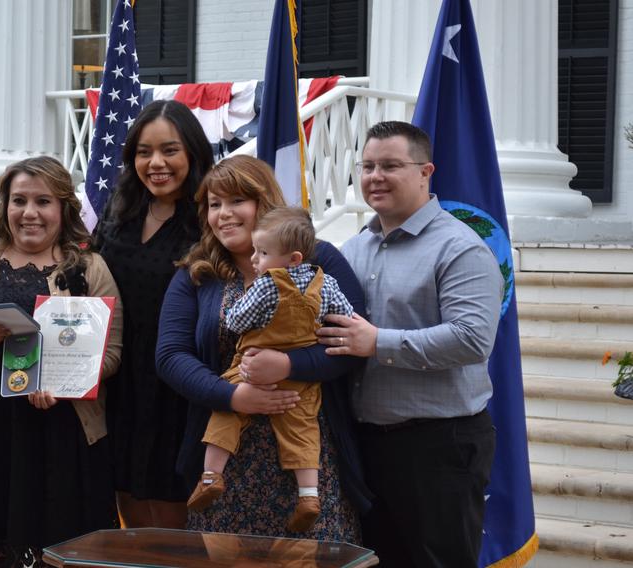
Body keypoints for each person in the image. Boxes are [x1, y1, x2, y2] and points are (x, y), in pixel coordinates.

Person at [156, 155, 372, 540]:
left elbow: (352, 341)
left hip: (307, 457)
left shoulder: (317, 261)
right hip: (224, 464)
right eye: (214, 204)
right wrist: (233, 395)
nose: (223, 214)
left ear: (264, 201)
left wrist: (288, 365)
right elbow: (171, 356)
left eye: (236, 201)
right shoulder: (197, 272)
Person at [0, 156, 124, 567]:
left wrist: (64, 385)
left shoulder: (90, 269)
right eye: (19, 201)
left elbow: (113, 353)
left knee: (57, 541)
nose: (29, 213)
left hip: (62, 430)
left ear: (63, 209)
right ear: (5, 206)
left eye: (43, 202)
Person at [318, 121, 501, 567]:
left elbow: (472, 338)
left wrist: (377, 342)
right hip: (366, 444)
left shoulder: (460, 249)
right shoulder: (355, 248)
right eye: (367, 166)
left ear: (426, 172)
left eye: (391, 165)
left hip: (438, 447)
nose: (375, 176)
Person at [187, 206, 354, 536]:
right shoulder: (326, 282)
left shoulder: (266, 285)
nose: (255, 260)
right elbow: (346, 318)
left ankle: (210, 476)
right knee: (304, 431)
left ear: (292, 258)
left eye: (261, 253)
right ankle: (308, 496)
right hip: (301, 387)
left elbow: (236, 320)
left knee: (225, 417)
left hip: (249, 370)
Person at [95, 99, 214, 528]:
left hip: (177, 386)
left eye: (169, 150)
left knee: (172, 522)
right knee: (126, 505)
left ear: (193, 154)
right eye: (144, 152)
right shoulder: (119, 211)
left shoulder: (210, 221)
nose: (156, 163)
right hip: (118, 382)